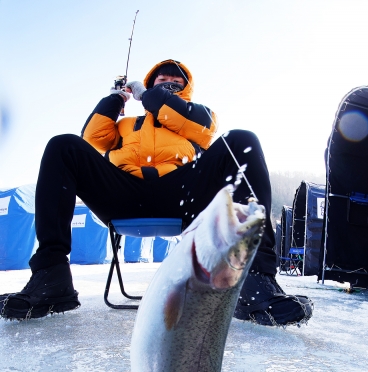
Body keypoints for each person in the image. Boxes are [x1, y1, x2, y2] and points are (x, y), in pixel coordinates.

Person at [0, 59, 313, 326]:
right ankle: (51, 276)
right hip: (122, 193)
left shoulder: (199, 116)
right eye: (163, 80)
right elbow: (93, 136)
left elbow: (180, 115)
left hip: (182, 194)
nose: (170, 84)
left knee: (242, 140)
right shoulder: (126, 125)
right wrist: (116, 99)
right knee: (62, 146)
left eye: (177, 82)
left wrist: (150, 95)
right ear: (150, 84)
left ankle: (256, 279)